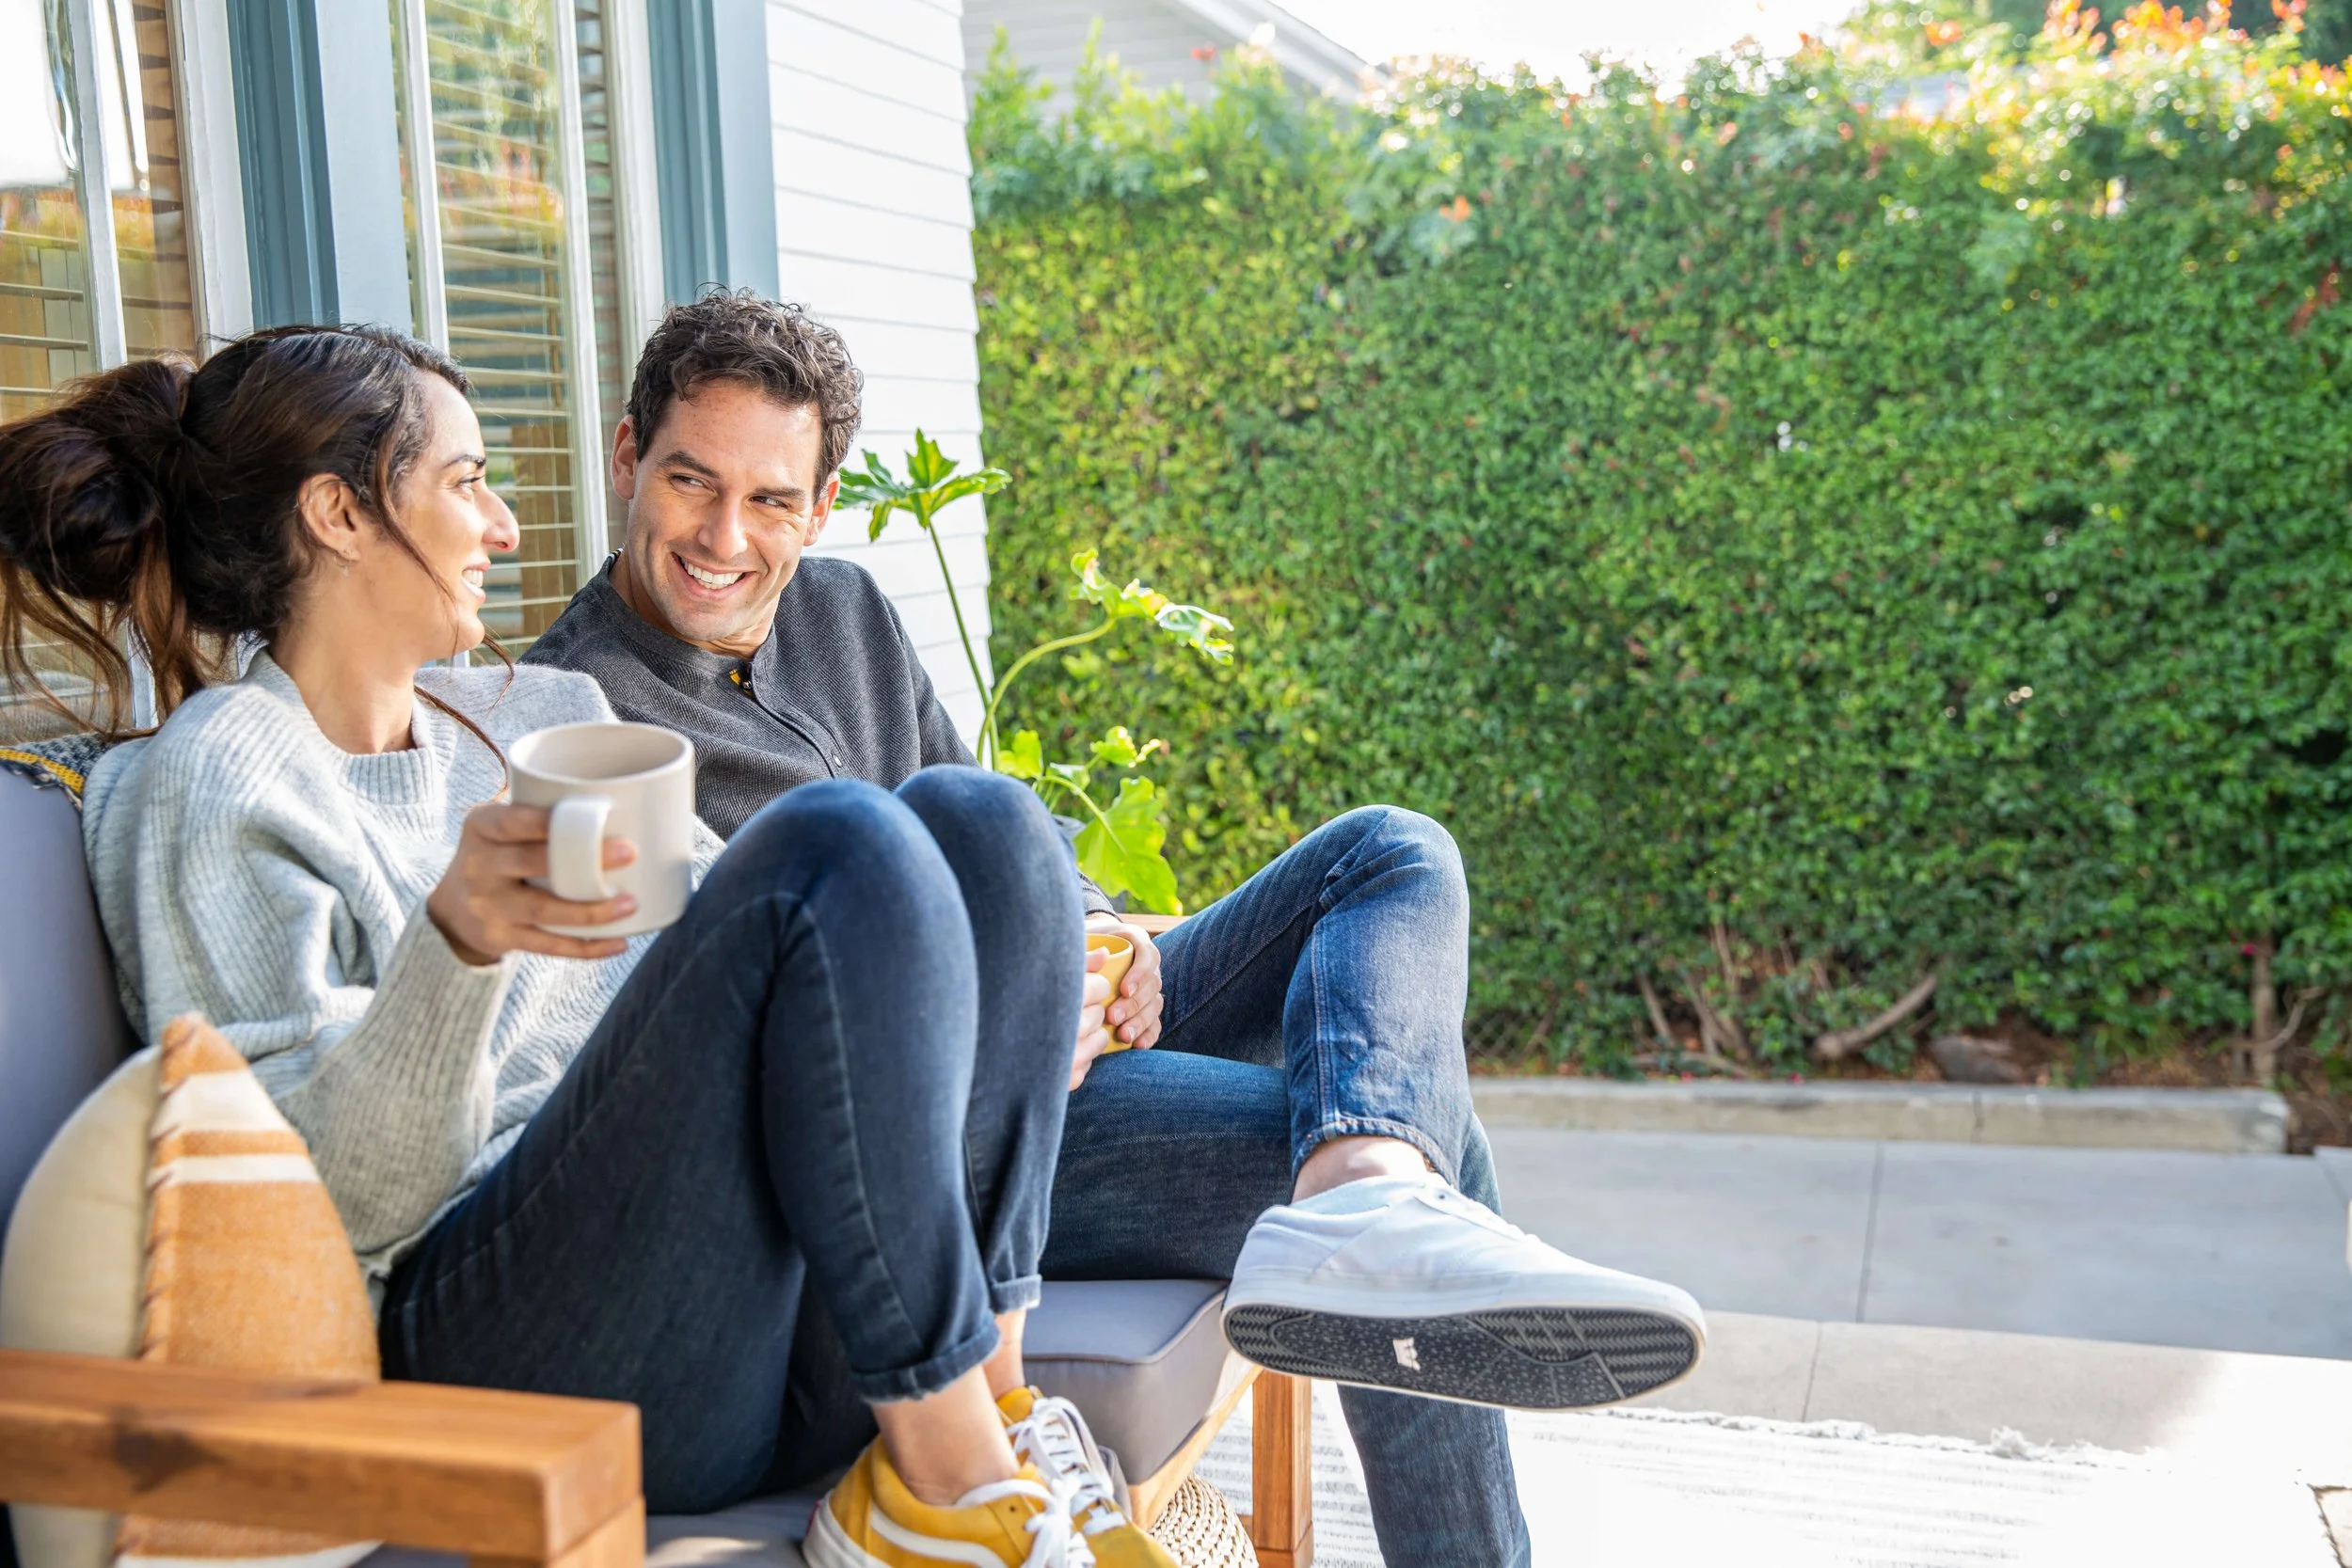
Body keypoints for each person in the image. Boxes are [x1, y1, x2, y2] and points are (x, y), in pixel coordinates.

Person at [523, 292, 1710, 1566]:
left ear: (817, 510)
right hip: (945, 1138)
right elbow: (706, 1057)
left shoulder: (844, 611)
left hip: (1070, 1022)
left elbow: (995, 820)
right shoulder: (574, 725)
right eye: (691, 481)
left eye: (769, 499)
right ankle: (1377, 1228)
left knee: (1393, 855)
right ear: (628, 456)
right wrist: (1015, 1015)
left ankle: (1364, 1193)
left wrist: (1103, 938)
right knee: (1433, 1141)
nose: (724, 537)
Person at [0, 325, 1168, 1567]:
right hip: (514, 1347)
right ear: (339, 514)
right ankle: (950, 1488)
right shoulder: (218, 771)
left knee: (985, 822)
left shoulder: (539, 716)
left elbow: (758, 955)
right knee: (838, 836)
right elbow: (337, 1210)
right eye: (465, 482)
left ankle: (988, 1405)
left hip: (744, 1315)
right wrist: (456, 947)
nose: (504, 527)